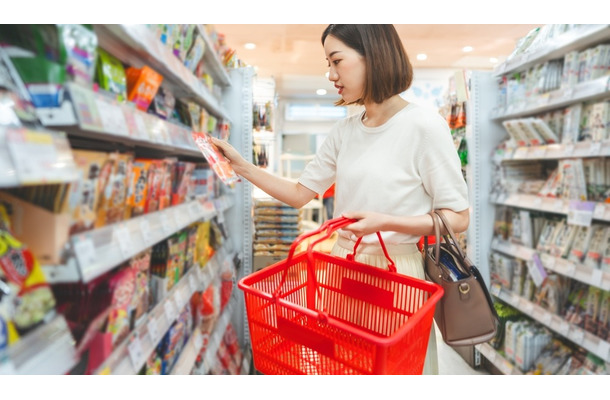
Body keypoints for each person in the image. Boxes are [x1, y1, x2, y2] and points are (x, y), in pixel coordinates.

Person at [211, 24, 469, 375]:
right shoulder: (345, 130)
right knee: (345, 368)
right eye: (327, 63)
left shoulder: (423, 126)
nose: (331, 74)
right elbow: (301, 193)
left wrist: (387, 222)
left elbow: (457, 217)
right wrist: (242, 166)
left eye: (337, 61)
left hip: (395, 276)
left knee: (393, 373)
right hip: (342, 268)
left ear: (373, 56)